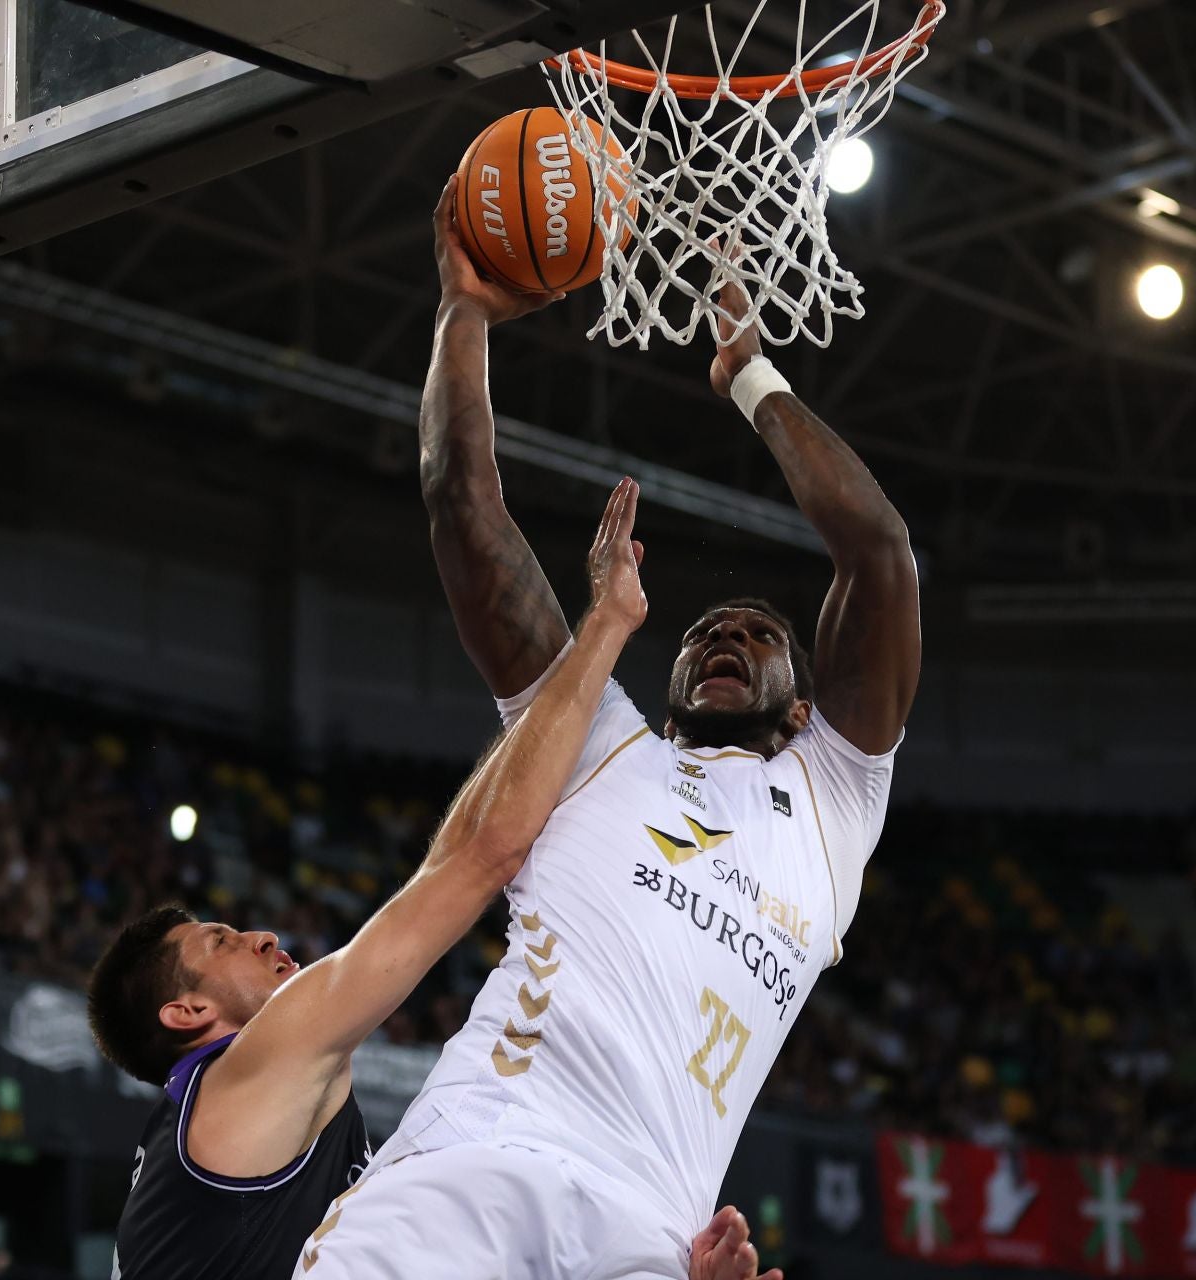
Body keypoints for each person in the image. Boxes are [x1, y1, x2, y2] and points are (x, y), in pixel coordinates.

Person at [293, 180, 921, 1280]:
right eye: (704, 632)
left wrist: (748, 377)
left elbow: (877, 550)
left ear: (809, 702)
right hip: (478, 1155)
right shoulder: (594, 745)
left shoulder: (836, 799)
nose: (723, 636)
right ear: (668, 678)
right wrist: (463, 309)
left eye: (756, 633)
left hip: (649, 1234)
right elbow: (461, 504)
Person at [91, 484, 767, 1280]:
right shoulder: (256, 1067)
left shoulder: (218, 1156)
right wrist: (607, 626)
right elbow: (479, 855)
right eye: (222, 942)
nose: (263, 935)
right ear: (188, 1011)